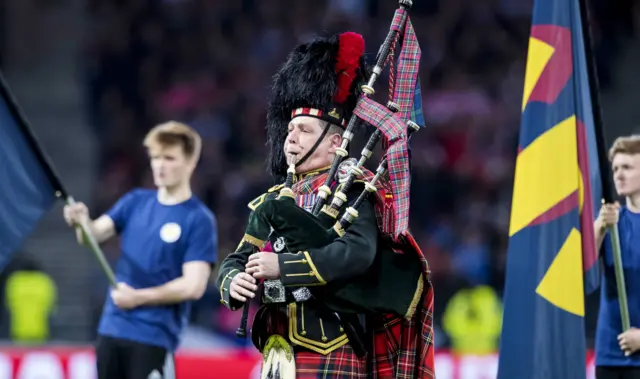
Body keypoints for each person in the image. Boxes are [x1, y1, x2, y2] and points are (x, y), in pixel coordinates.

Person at [216, 31, 434, 379]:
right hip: (277, 354)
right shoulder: (271, 201)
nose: (291, 137)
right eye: (289, 130)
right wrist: (232, 282)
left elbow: (357, 253)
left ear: (335, 143)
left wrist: (282, 267)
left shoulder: (352, 187)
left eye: (303, 129)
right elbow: (237, 258)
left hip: (332, 351)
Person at [63, 121, 217, 379]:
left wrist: (138, 298)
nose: (159, 165)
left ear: (190, 162)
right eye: (155, 157)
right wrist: (80, 221)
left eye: (169, 158)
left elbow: (193, 286)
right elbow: (91, 236)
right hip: (111, 330)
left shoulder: (198, 219)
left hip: (154, 336)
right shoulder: (135, 201)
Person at [595, 135, 640, 379]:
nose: (618, 175)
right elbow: (581, 265)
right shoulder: (610, 223)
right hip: (610, 357)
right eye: (615, 168)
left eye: (627, 167)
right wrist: (600, 226)